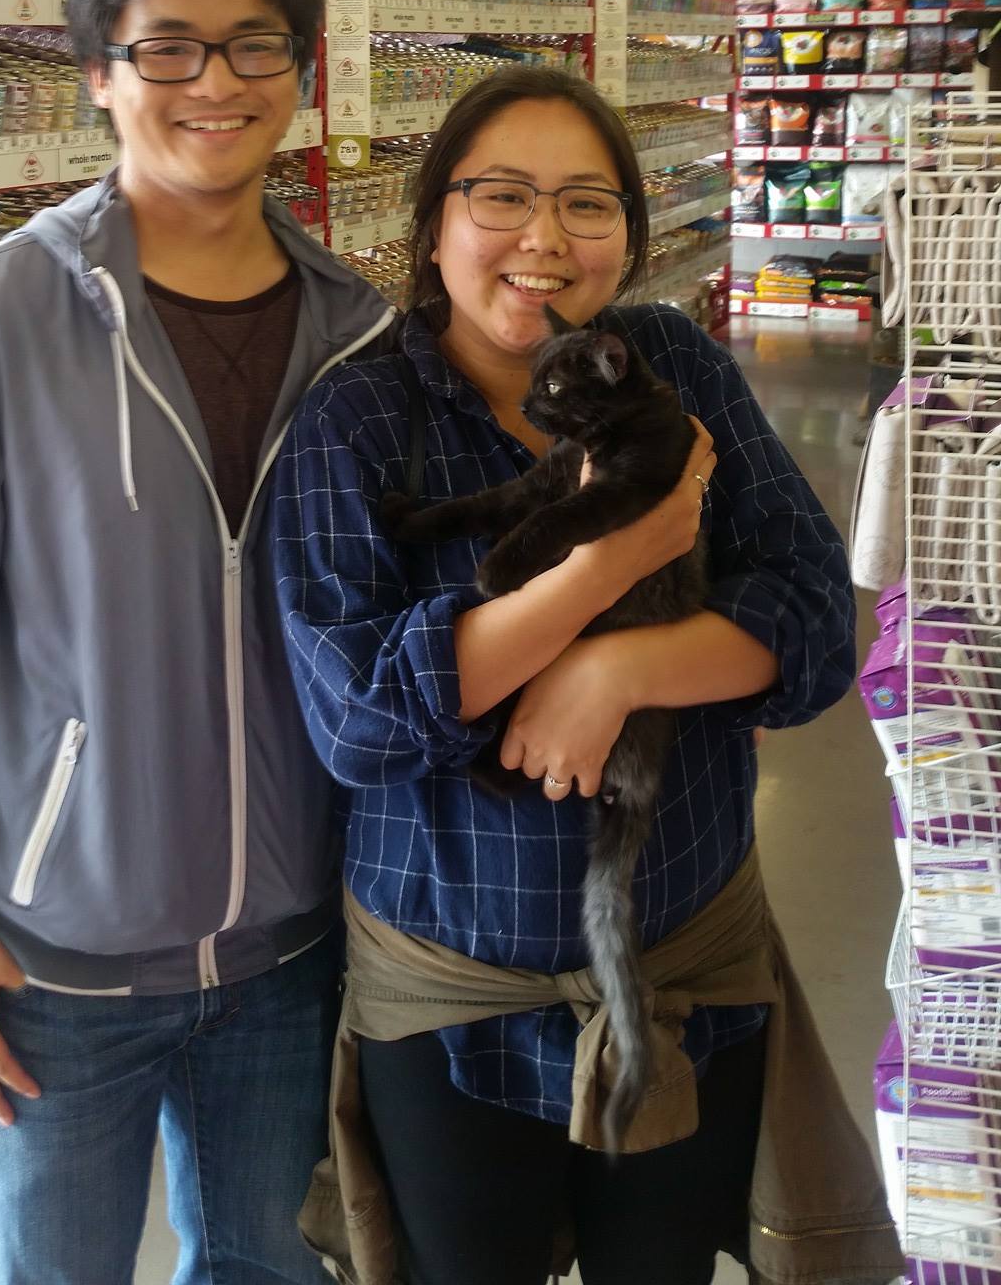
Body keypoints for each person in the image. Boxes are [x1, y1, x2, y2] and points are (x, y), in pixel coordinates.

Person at [0, 0, 395, 1285]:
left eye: (254, 42)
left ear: (300, 70)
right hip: (47, 965)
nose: (213, 80)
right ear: (100, 71)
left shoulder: (362, 336)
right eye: (167, 45)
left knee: (271, 1269)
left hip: (293, 957)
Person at [271, 65, 873, 1285]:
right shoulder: (358, 418)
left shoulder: (674, 363)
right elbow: (364, 722)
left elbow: (814, 624)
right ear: (433, 221)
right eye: (501, 195)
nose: (544, 237)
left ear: (628, 237)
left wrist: (614, 671)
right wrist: (622, 559)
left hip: (683, 965)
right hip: (447, 996)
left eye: (588, 204)